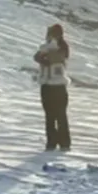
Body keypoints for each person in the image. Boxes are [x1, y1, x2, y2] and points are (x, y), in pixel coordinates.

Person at [34, 22, 71, 152]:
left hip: (58, 85)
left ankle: (63, 142)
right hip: (47, 85)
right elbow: (37, 57)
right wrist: (43, 55)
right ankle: (52, 141)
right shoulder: (44, 47)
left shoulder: (62, 47)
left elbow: (56, 58)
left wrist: (46, 54)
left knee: (60, 115)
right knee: (50, 115)